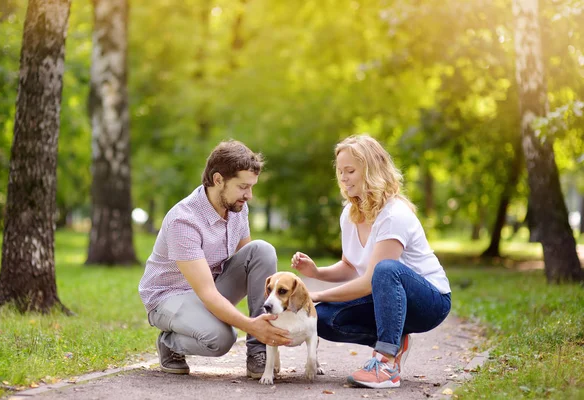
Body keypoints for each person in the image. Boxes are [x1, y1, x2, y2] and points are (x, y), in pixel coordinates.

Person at [291, 134, 451, 389]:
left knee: (386, 270)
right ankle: (395, 340)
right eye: (340, 171)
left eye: (350, 170)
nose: (343, 178)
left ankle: (386, 362)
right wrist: (317, 271)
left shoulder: (394, 214)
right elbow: (350, 266)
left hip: (430, 301)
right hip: (387, 298)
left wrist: (316, 294)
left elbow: (369, 281)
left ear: (371, 171)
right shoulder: (350, 213)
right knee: (321, 319)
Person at [139, 140, 290, 379]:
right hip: (169, 296)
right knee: (221, 339)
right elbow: (206, 292)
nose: (249, 195)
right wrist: (251, 325)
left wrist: (278, 318)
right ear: (218, 179)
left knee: (262, 250)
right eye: (243, 187)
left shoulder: (237, 207)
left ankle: (258, 350)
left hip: (210, 284)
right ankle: (170, 342)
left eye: (251, 187)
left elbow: (252, 263)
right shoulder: (184, 220)